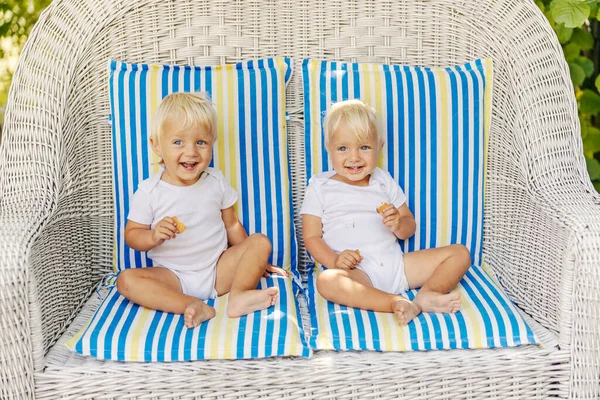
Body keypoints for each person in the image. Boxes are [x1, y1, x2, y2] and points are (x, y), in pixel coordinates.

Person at [116, 92, 287, 328]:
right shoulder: (149, 192)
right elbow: (132, 235)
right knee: (126, 281)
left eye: (201, 142)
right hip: (172, 277)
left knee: (260, 242)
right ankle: (190, 304)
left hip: (218, 270)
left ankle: (238, 296)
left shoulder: (215, 180)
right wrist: (153, 236)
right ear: (156, 146)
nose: (191, 152)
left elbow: (232, 224)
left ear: (212, 143)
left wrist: (249, 260)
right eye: (178, 142)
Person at [301, 99, 471, 325]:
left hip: (397, 266)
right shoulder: (319, 186)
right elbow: (311, 237)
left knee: (459, 253)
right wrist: (334, 261)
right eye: (343, 148)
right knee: (327, 281)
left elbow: (409, 224)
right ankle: (394, 302)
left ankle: (428, 295)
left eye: (364, 147)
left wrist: (398, 225)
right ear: (329, 149)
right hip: (358, 273)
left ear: (379, 147)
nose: (354, 157)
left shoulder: (382, 180)